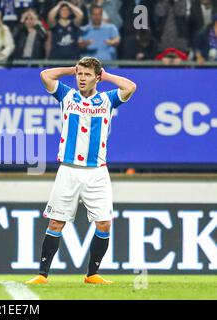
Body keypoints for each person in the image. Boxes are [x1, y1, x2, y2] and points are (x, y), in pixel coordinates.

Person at [26, 56, 136, 285]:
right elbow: (45, 75)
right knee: (56, 222)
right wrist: (71, 69)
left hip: (97, 171)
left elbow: (130, 87)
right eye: (80, 74)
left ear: (97, 77)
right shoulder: (67, 95)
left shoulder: (107, 100)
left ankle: (92, 274)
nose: (82, 78)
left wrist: (105, 76)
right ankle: (42, 275)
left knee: (104, 223)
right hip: (68, 170)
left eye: (87, 74)